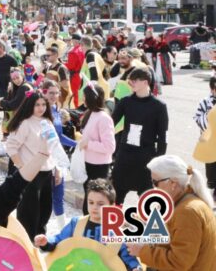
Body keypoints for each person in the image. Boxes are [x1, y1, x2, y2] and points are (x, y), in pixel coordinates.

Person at [127, 155, 216, 270]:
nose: (153, 187)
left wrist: (142, 251)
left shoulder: (187, 212)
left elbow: (179, 262)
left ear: (173, 183)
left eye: (155, 182)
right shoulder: (184, 200)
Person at [34, 178, 140, 271]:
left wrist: (135, 267)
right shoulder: (76, 223)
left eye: (100, 204)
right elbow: (59, 241)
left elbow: (128, 257)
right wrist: (46, 242)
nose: (94, 207)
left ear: (112, 206)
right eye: (91, 202)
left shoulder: (116, 232)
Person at [111, 67, 169, 204]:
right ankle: (114, 224)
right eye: (130, 81)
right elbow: (110, 123)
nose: (131, 83)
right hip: (124, 155)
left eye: (135, 80)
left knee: (148, 201)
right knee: (115, 197)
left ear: (145, 82)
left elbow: (163, 136)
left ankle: (147, 224)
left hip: (146, 158)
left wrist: (159, 161)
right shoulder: (125, 102)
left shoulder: (159, 106)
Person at [5, 91, 58, 239]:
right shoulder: (25, 123)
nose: (41, 108)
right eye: (37, 105)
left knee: (46, 208)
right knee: (29, 210)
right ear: (30, 105)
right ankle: (26, 240)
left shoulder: (47, 122)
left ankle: (40, 238)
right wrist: (22, 167)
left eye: (43, 104)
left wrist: (57, 169)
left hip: (47, 171)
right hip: (30, 173)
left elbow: (54, 147)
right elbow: (11, 146)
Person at [77, 83, 115, 213]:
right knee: (89, 201)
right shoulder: (91, 113)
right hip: (88, 163)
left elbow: (110, 147)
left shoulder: (104, 118)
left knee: (96, 201)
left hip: (99, 167)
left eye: (85, 97)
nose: (83, 100)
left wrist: (88, 144)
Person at [43, 79, 76, 228]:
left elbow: (59, 136)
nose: (54, 96)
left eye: (56, 93)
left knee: (58, 195)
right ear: (44, 92)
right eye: (51, 93)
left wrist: (77, 144)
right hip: (45, 159)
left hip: (57, 157)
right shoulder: (40, 112)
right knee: (43, 197)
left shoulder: (56, 109)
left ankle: (62, 230)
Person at [194, 76, 216, 200]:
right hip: (210, 141)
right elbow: (198, 117)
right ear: (212, 89)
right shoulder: (205, 102)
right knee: (211, 169)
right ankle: (212, 185)